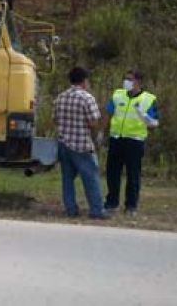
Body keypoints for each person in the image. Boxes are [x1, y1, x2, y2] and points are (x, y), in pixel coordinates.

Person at [53, 67, 108, 219]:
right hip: (82, 144)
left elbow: (55, 120)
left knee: (67, 179)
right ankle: (97, 210)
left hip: (64, 143)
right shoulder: (86, 98)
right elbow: (93, 122)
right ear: (84, 81)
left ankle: (71, 209)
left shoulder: (60, 97)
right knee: (90, 177)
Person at [104, 70, 159, 217]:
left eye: (130, 79)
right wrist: (102, 133)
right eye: (125, 78)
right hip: (116, 139)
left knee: (133, 175)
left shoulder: (148, 99)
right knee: (112, 173)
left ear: (138, 82)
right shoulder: (118, 95)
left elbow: (154, 123)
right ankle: (111, 203)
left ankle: (131, 206)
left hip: (134, 141)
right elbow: (109, 113)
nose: (126, 82)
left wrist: (144, 116)